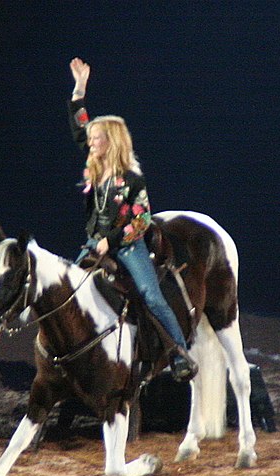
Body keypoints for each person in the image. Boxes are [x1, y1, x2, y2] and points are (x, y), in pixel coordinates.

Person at [68, 57, 197, 382]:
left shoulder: (132, 179)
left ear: (111, 143)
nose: (92, 142)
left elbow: (141, 221)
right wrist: (79, 90)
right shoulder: (94, 166)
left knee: (151, 295)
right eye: (92, 138)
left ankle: (180, 354)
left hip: (126, 246)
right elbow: (80, 126)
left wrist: (109, 241)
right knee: (69, 287)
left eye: (98, 138)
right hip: (93, 243)